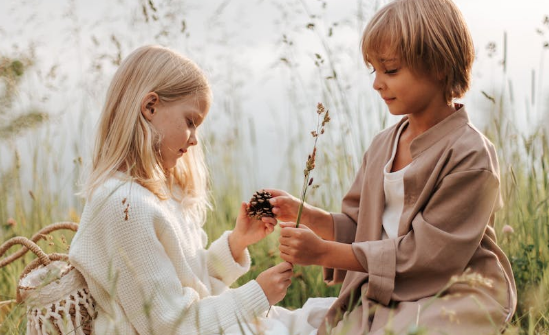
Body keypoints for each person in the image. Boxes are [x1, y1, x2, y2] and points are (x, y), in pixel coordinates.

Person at [269, 0, 517, 334]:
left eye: (391, 70)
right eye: (374, 70)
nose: (376, 84)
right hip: (392, 284)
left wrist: (325, 252)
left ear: (440, 66)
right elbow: (364, 226)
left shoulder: (470, 156)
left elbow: (430, 256)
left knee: (420, 327)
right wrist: (312, 217)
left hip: (452, 287)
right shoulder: (383, 144)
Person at [68, 45, 295, 335]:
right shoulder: (124, 205)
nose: (195, 141)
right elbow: (169, 324)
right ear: (150, 107)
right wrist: (257, 295)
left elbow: (191, 284)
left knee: (323, 317)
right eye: (191, 122)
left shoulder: (155, 195)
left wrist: (236, 244)